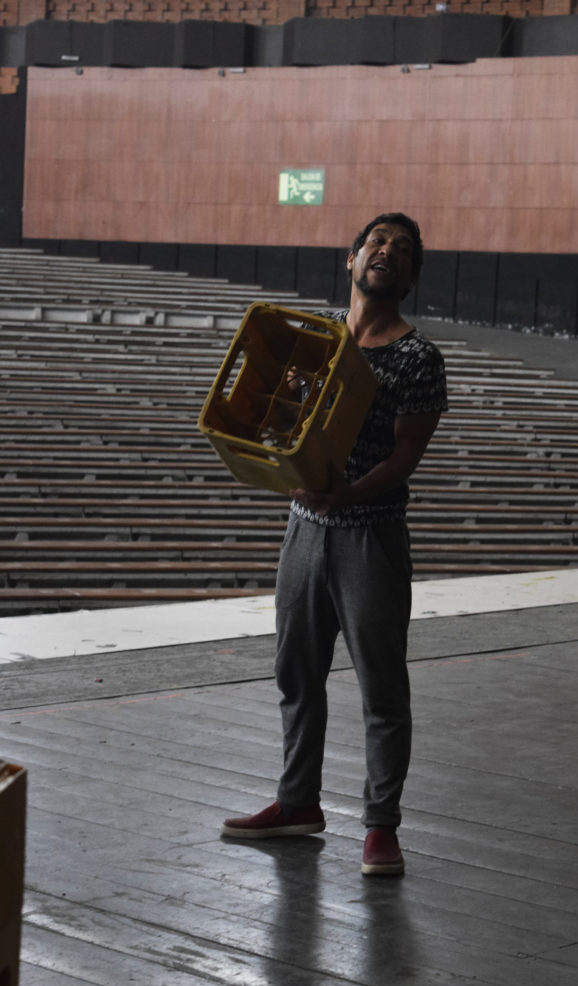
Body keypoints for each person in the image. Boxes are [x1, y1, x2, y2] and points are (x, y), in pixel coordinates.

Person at [221, 213, 448, 876]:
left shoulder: (416, 357)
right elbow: (279, 418)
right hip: (303, 528)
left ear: (407, 280)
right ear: (350, 260)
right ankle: (298, 803)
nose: (387, 252)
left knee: (381, 686)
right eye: (376, 242)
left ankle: (381, 827)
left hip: (370, 534)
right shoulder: (316, 341)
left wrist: (346, 495)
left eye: (402, 251)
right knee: (296, 673)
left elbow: (405, 458)